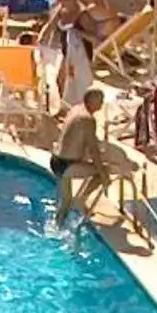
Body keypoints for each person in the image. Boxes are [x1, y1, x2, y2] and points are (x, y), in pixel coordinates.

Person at [49, 87, 109, 225]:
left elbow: (76, 138)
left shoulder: (76, 109)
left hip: (56, 160)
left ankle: (57, 226)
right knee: (102, 173)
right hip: (67, 165)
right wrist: (103, 174)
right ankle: (81, 201)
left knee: (65, 202)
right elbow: (93, 149)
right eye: (100, 100)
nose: (102, 104)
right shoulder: (88, 119)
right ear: (92, 100)